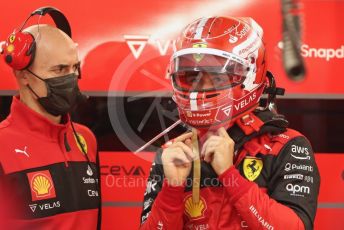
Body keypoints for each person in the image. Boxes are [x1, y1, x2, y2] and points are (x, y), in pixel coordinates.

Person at [140, 16, 320, 230]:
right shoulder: (173, 153)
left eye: (217, 78)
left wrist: (229, 175)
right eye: (190, 77)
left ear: (250, 77)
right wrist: (172, 187)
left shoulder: (287, 145)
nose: (199, 89)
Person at [0, 7, 100, 229]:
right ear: (23, 75)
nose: (71, 78)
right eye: (59, 69)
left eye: (75, 68)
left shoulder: (86, 140)